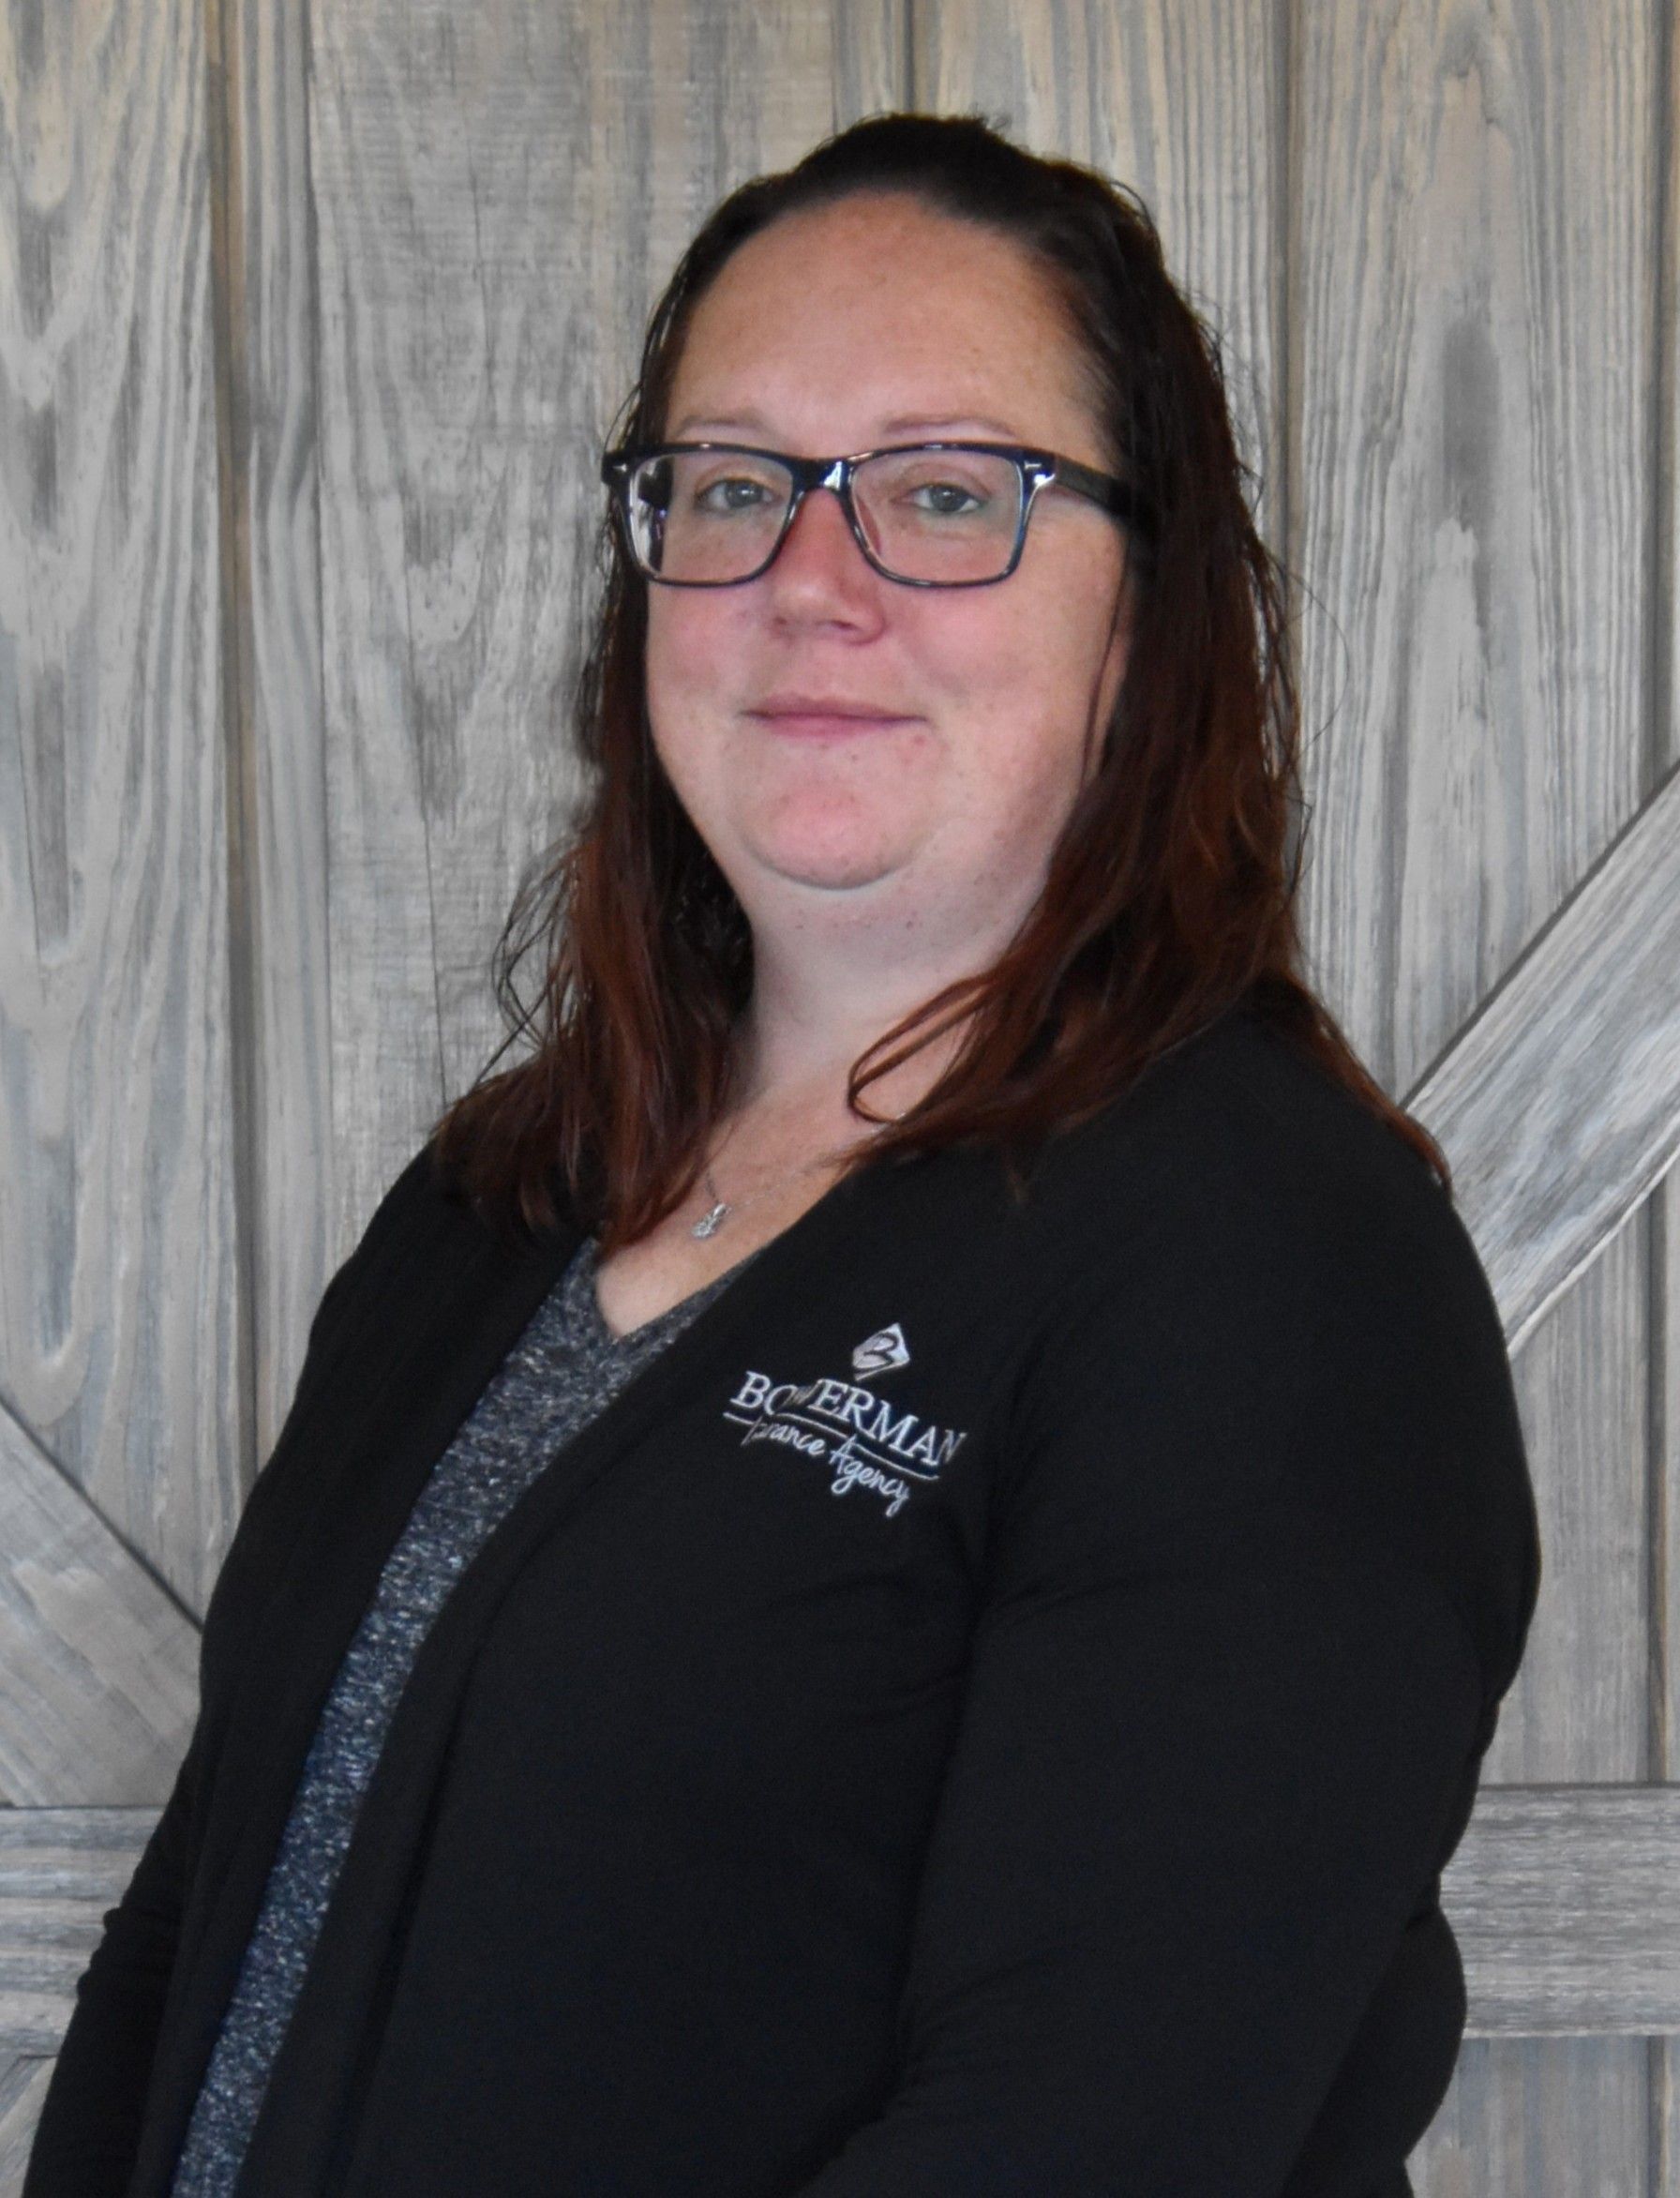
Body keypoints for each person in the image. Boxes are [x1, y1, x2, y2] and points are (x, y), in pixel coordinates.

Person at [23, 112, 1542, 2198]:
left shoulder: (1268, 1269)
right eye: (730, 488)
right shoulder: (495, 1205)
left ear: (1144, 614)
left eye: (943, 494)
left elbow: (1076, 2136)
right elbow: (198, 1929)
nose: (810, 583)